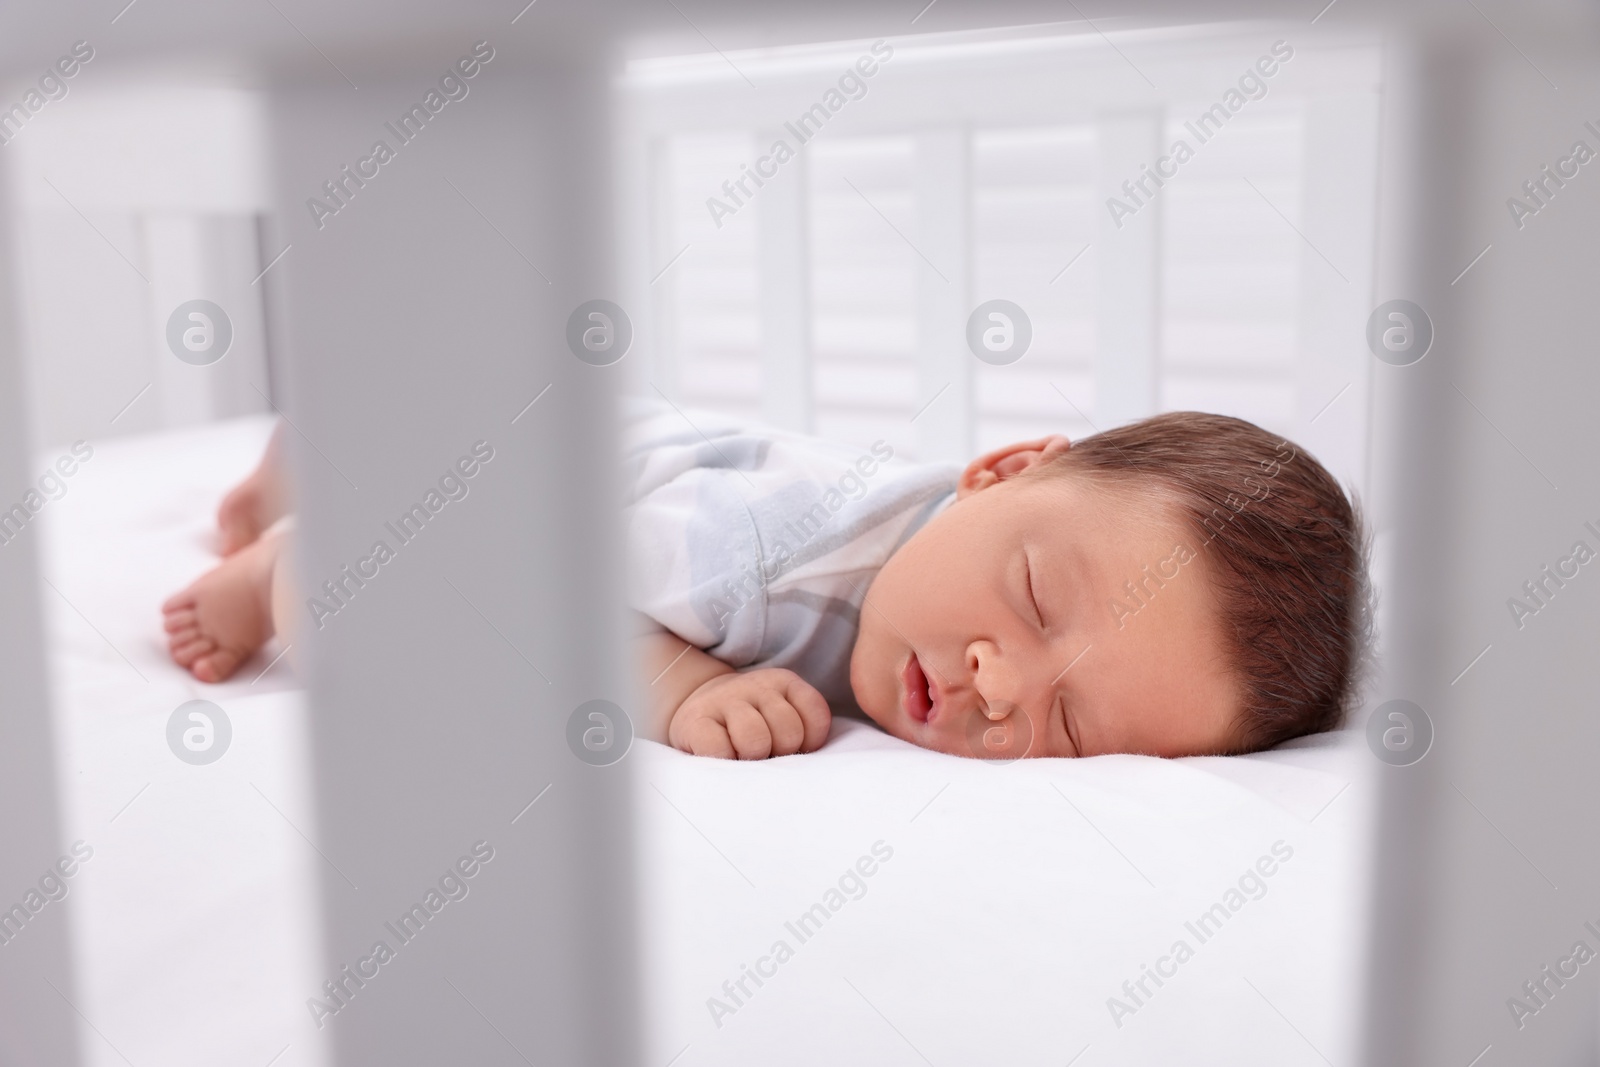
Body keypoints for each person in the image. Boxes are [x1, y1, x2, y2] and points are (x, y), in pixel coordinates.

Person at [164, 399, 1369, 761]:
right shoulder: (755, 556)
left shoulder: (950, 565)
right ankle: (276, 544)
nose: (1000, 685)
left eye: (1069, 723)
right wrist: (677, 683)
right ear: (1001, 468)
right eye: (1038, 601)